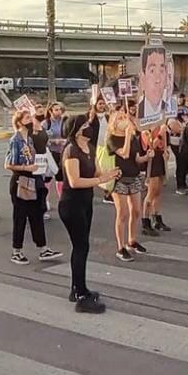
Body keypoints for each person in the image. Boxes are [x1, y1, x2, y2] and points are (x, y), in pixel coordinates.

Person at [60, 115, 120, 313]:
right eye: (84, 125)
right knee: (80, 246)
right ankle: (80, 296)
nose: (89, 128)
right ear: (76, 131)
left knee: (82, 246)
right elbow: (75, 181)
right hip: (72, 204)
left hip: (85, 203)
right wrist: (99, 180)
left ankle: (79, 288)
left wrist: (109, 176)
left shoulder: (90, 149)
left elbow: (96, 174)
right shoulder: (71, 151)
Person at [5, 110, 63, 266]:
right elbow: (8, 164)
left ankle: (43, 247)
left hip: (34, 179)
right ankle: (16, 250)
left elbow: (42, 133)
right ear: (19, 122)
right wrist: (26, 168)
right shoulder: (16, 140)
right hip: (21, 180)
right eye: (27, 118)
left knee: (36, 214)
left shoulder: (29, 138)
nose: (30, 120)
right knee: (20, 217)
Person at [106, 110, 149, 261]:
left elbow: (136, 158)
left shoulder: (133, 139)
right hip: (120, 178)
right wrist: (127, 137)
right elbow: (124, 154)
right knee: (122, 213)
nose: (124, 120)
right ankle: (120, 246)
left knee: (136, 210)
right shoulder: (112, 139)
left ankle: (132, 240)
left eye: (124, 118)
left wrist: (146, 157)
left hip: (134, 176)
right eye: (120, 119)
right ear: (114, 123)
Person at [141, 123, 171, 236]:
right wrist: (159, 134)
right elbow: (151, 145)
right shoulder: (146, 131)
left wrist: (166, 150)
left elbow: (163, 146)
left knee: (158, 192)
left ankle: (157, 218)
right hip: (151, 163)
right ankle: (145, 221)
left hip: (160, 160)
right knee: (151, 192)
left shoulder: (161, 127)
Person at [88, 97, 114, 204]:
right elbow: (86, 128)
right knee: (93, 168)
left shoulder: (108, 117)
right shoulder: (90, 116)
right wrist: (90, 118)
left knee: (105, 168)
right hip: (93, 146)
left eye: (103, 104)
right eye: (100, 104)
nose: (102, 106)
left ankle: (108, 192)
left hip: (105, 146)